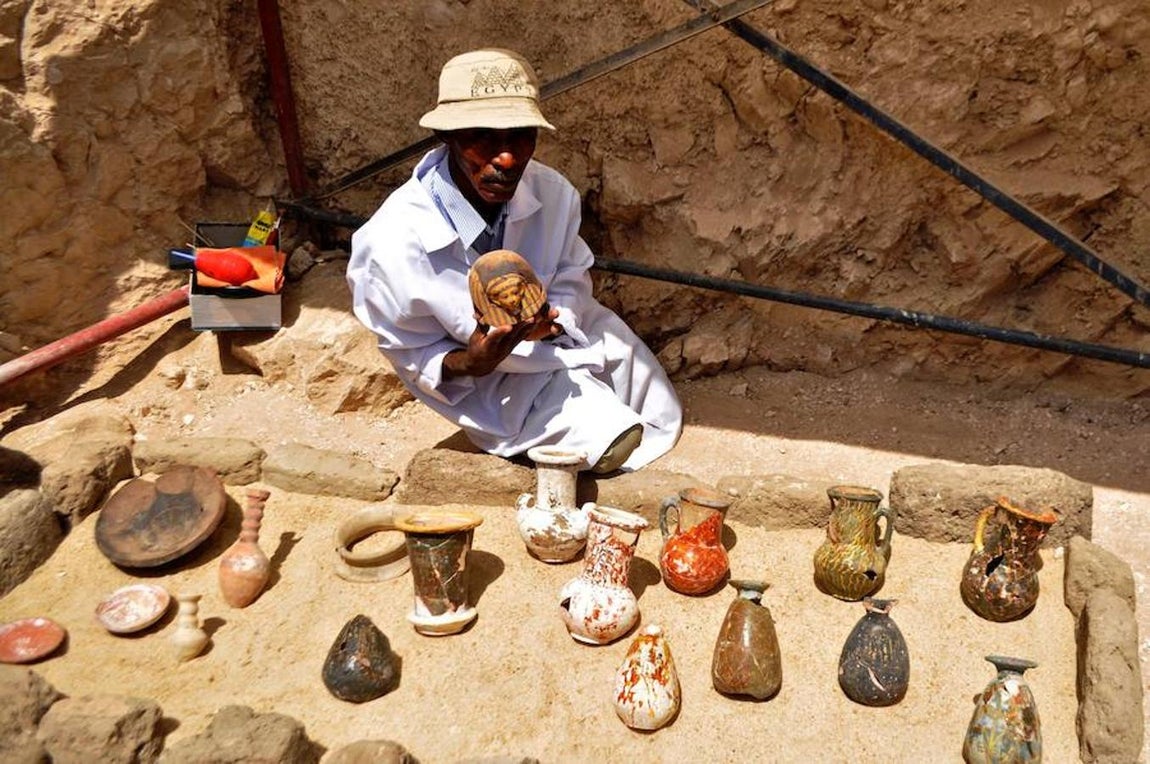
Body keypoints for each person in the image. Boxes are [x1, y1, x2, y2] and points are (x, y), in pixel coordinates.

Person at [347, 48, 682, 473]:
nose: (506, 159)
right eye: (484, 137)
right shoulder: (390, 244)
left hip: (567, 338)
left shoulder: (553, 192)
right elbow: (411, 352)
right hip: (487, 381)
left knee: (659, 410)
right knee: (614, 444)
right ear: (447, 137)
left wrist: (556, 319)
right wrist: (473, 362)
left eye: (521, 136)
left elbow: (570, 274)